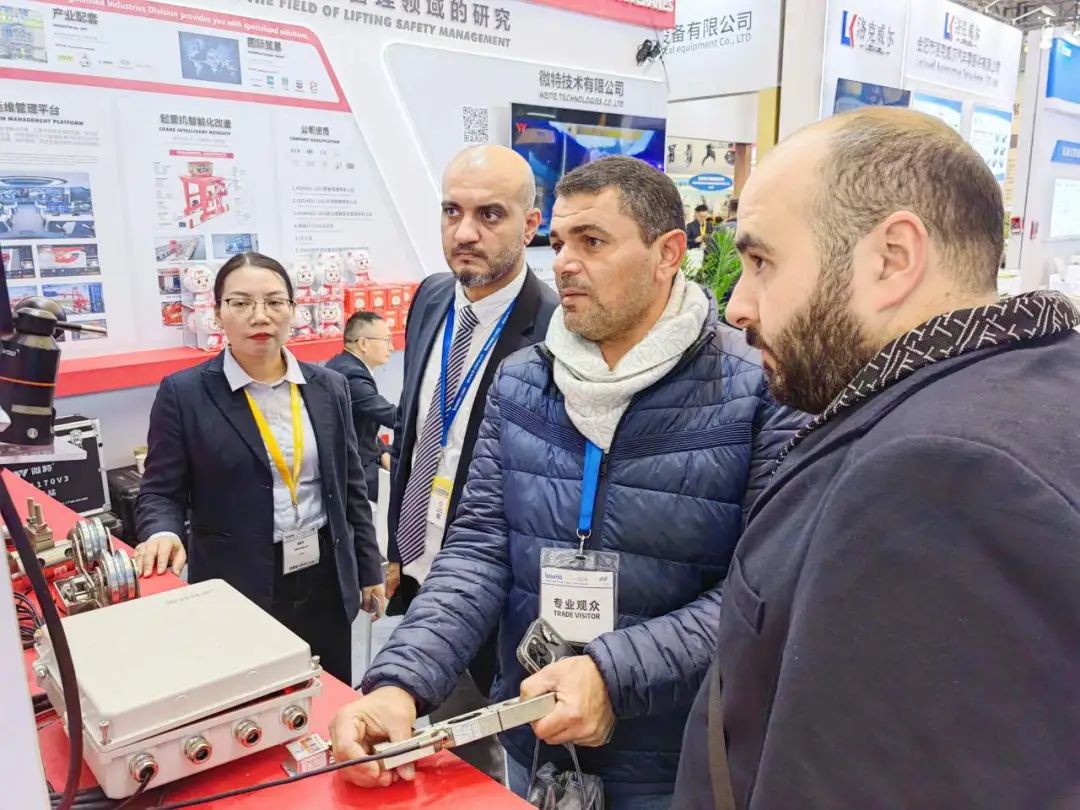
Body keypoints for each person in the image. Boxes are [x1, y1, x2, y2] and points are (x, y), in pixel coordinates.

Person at [330, 156, 805, 809]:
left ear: (668, 253)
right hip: (537, 743)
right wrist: (400, 682)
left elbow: (763, 590)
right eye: (558, 244)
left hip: (683, 762)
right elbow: (478, 551)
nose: (565, 264)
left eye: (593, 242)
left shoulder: (759, 390)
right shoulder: (526, 379)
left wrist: (612, 675)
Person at [673, 107, 1080, 810]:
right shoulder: (1027, 385)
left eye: (762, 261)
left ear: (892, 258)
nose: (738, 306)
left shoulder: (941, 477)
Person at [134, 252, 385, 686]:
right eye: (241, 303)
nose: (260, 315)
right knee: (255, 699)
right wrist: (162, 532)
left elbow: (350, 485)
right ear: (218, 313)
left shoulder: (329, 386)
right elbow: (159, 490)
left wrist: (368, 567)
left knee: (329, 691)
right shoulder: (185, 393)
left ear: (292, 309)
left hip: (325, 575)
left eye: (274, 301)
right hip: (239, 581)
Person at [384, 144, 558, 702]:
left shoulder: (557, 330)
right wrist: (396, 549)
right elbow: (414, 432)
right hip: (418, 566)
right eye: (451, 211)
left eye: (490, 214)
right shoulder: (431, 297)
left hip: (494, 592)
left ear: (530, 225)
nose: (464, 232)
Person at [325, 311, 398, 503]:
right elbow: (390, 415)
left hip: (359, 453)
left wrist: (382, 451)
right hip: (352, 468)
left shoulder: (342, 364)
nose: (392, 347)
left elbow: (364, 424)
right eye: (387, 340)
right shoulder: (352, 376)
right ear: (364, 343)